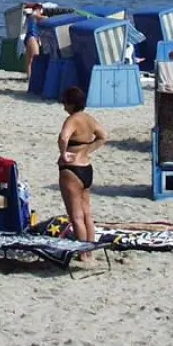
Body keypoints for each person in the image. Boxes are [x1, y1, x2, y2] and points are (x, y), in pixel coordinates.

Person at [57, 86, 108, 257]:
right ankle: (90, 253)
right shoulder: (89, 119)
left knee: (76, 216)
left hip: (71, 169)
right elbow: (103, 136)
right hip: (86, 167)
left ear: (72, 103)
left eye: (65, 102)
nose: (64, 105)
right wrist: (88, 149)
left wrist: (63, 154)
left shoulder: (72, 120)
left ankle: (82, 254)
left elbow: (63, 137)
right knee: (87, 214)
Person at [24, 5, 44, 77]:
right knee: (35, 59)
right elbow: (45, 18)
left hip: (29, 37)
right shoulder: (35, 14)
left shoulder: (31, 16)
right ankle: (33, 77)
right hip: (33, 37)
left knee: (29, 61)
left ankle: (29, 77)